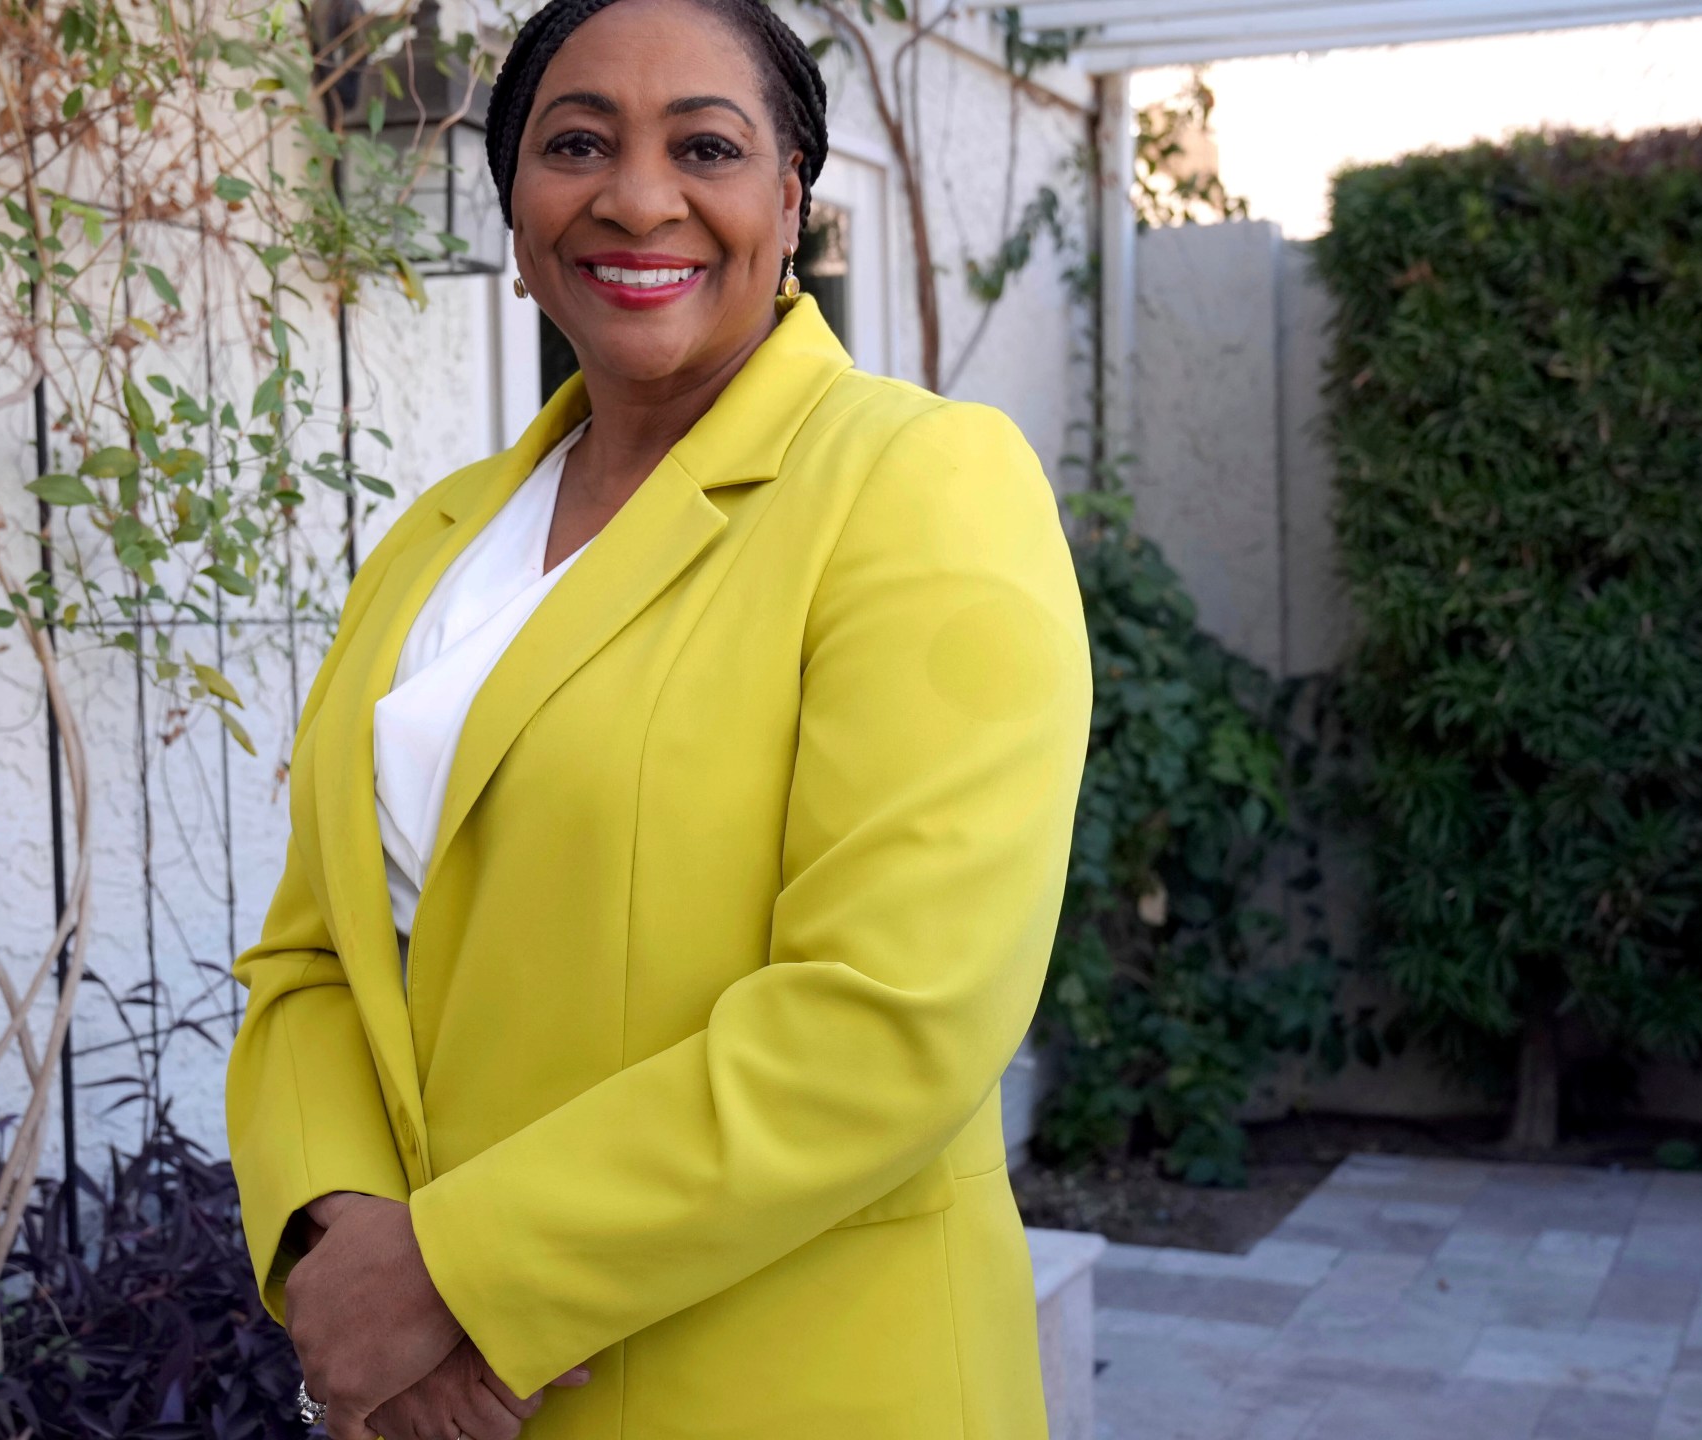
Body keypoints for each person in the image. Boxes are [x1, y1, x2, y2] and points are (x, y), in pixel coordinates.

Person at [225, 0, 1089, 1433]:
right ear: (516, 209)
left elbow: (891, 1018)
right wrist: (342, 1239)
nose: (637, 196)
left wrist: (458, 1274)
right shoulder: (434, 544)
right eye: (577, 143)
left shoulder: (917, 482)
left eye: (706, 144)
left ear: (790, 199)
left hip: (788, 1386)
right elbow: (315, 952)